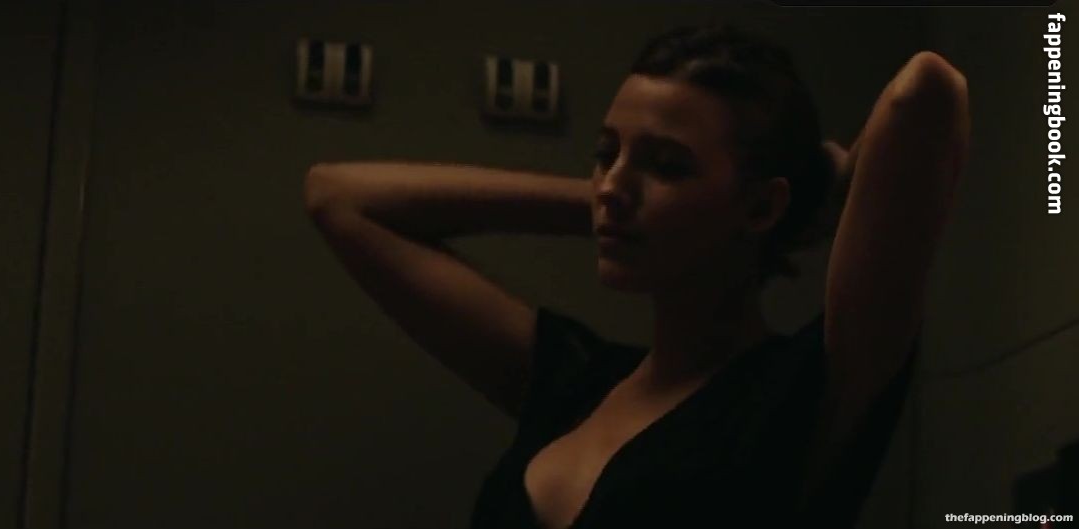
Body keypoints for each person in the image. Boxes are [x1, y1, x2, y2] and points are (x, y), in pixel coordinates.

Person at [303, 23, 968, 529]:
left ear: (762, 207)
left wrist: (826, 185)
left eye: (666, 165)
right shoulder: (574, 381)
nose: (612, 185)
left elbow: (926, 89)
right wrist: (607, 206)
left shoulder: (803, 388)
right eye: (606, 155)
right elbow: (339, 197)